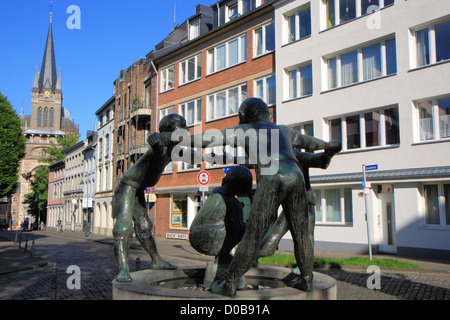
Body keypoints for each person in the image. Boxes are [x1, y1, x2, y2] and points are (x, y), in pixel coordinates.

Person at [170, 98, 341, 296]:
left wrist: (180, 139)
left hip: (271, 177)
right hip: (295, 177)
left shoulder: (244, 130)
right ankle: (307, 279)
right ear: (266, 115)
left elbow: (210, 139)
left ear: (243, 117)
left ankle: (230, 283)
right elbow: (310, 142)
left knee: (253, 235)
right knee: (301, 234)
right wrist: (330, 146)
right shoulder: (284, 130)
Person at [113, 114, 201, 282]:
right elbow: (157, 143)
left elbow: (195, 148)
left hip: (139, 188)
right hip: (127, 186)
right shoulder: (160, 146)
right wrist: (155, 138)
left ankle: (157, 260)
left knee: (144, 226)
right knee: (123, 227)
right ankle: (123, 270)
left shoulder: (175, 150)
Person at [189, 166, 253, 288]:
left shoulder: (216, 191)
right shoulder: (234, 204)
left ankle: (223, 256)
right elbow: (239, 227)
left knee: (236, 226)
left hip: (195, 235)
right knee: (245, 229)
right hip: (209, 240)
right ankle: (223, 256)